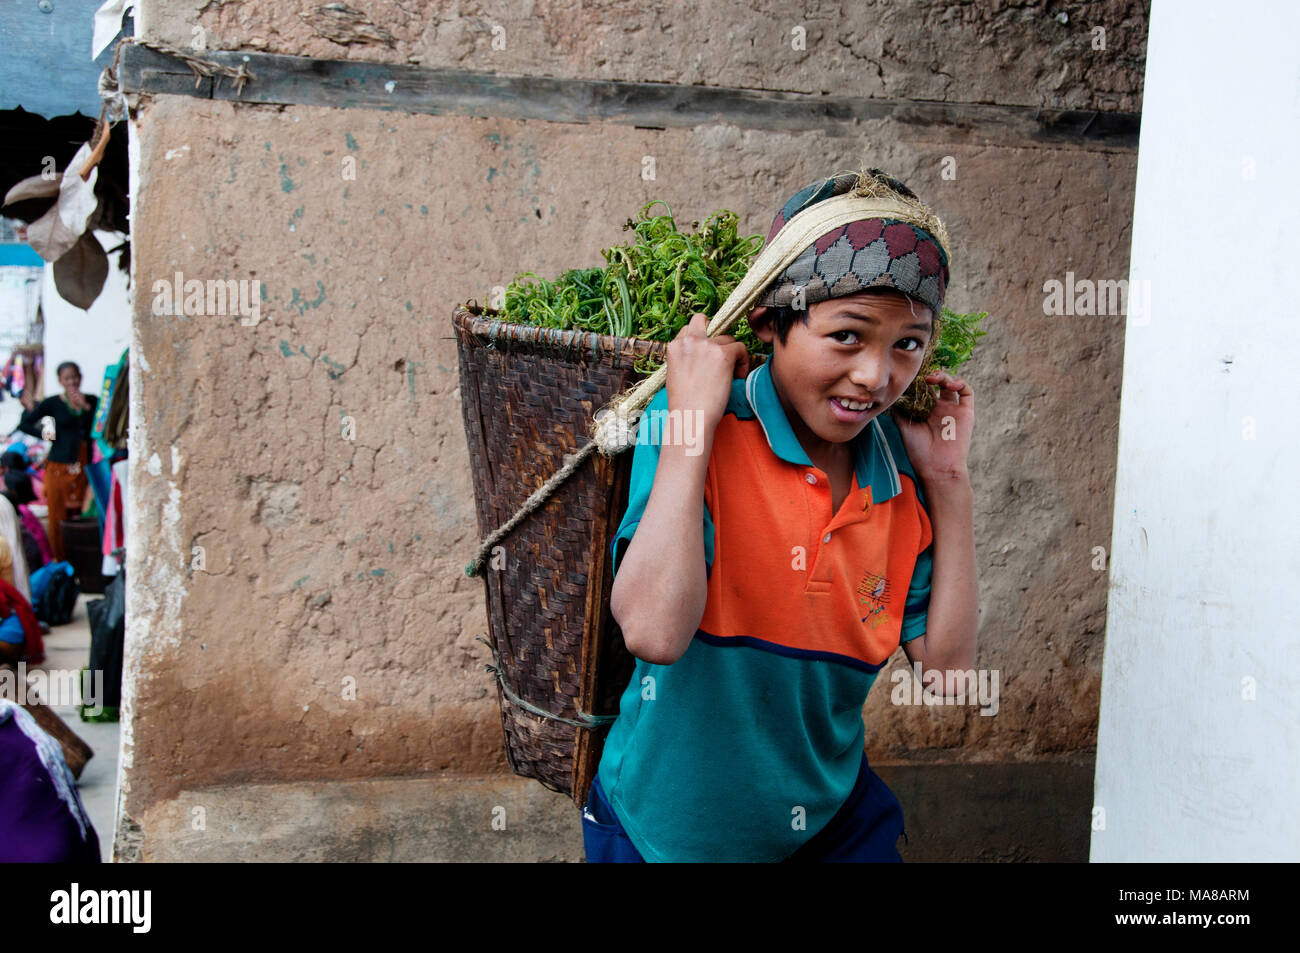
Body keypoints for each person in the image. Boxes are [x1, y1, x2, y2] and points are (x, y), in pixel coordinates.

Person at [583, 169, 978, 862]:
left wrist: (950, 480)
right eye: (848, 336)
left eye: (908, 344)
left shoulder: (900, 473)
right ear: (770, 322)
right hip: (667, 833)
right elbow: (651, 630)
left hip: (831, 828)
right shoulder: (695, 431)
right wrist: (693, 423)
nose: (876, 376)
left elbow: (947, 673)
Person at [17, 362, 97, 564]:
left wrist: (85, 408)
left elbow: (97, 430)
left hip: (83, 468)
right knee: (57, 516)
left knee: (82, 514)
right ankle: (60, 560)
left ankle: (84, 562)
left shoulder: (93, 402)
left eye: (74, 377)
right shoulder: (52, 404)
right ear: (60, 381)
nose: (71, 382)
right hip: (58, 467)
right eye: (67, 378)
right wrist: (48, 435)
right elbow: (25, 423)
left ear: (81, 377)